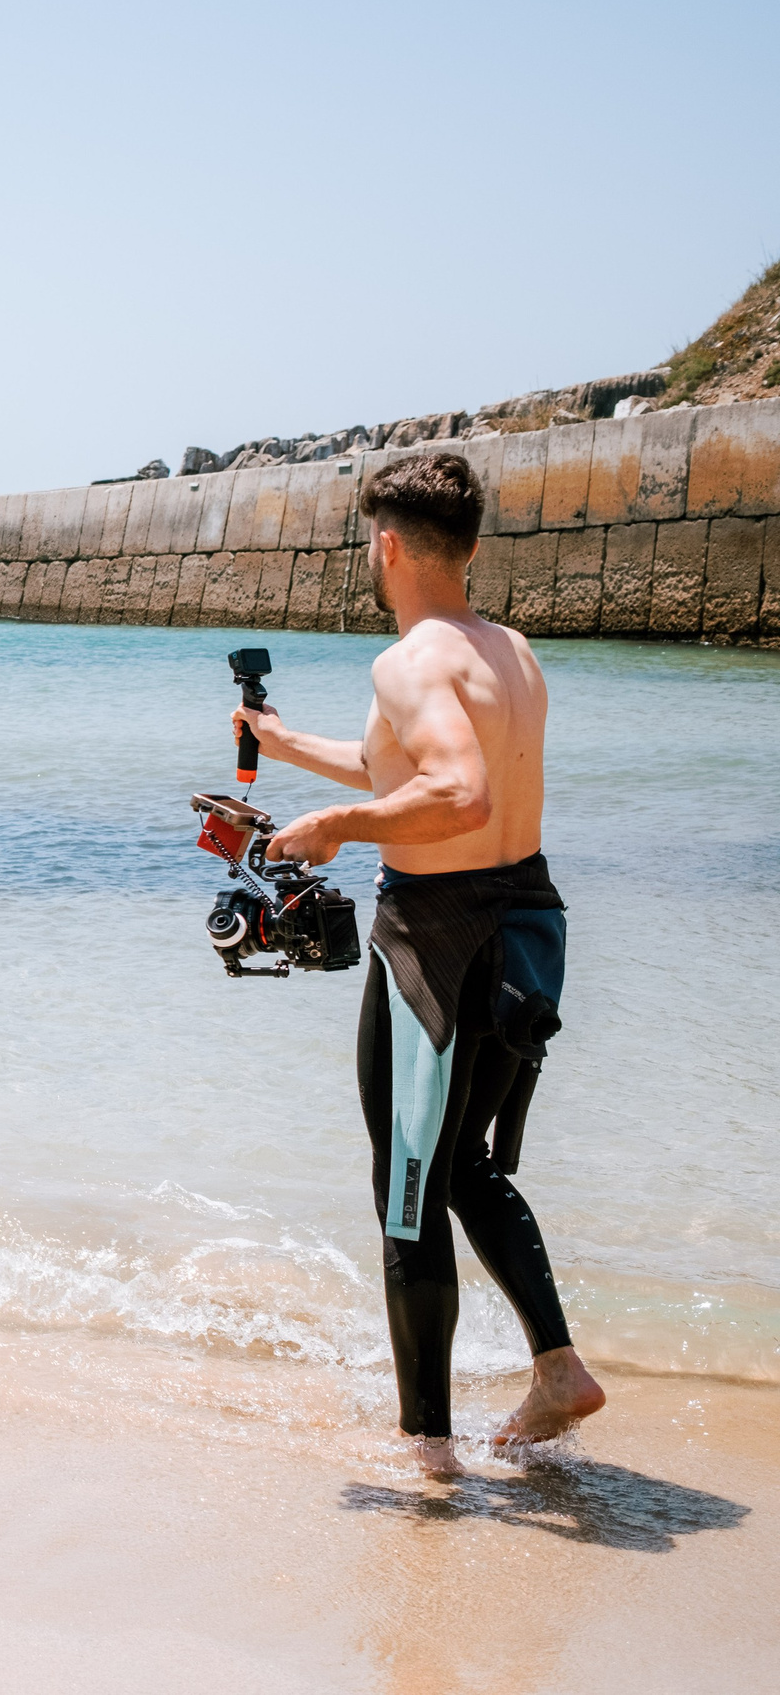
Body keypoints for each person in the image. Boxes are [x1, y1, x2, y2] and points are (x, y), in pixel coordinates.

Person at [235, 451, 601, 1476]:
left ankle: (425, 1449)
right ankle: (556, 1366)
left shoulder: (405, 662)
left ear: (386, 545)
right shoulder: (508, 652)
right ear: (470, 546)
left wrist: (335, 826)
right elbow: (410, 766)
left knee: (405, 1192)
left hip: (435, 947)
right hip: (528, 927)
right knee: (464, 1165)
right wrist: (282, 739)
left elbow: (453, 790)